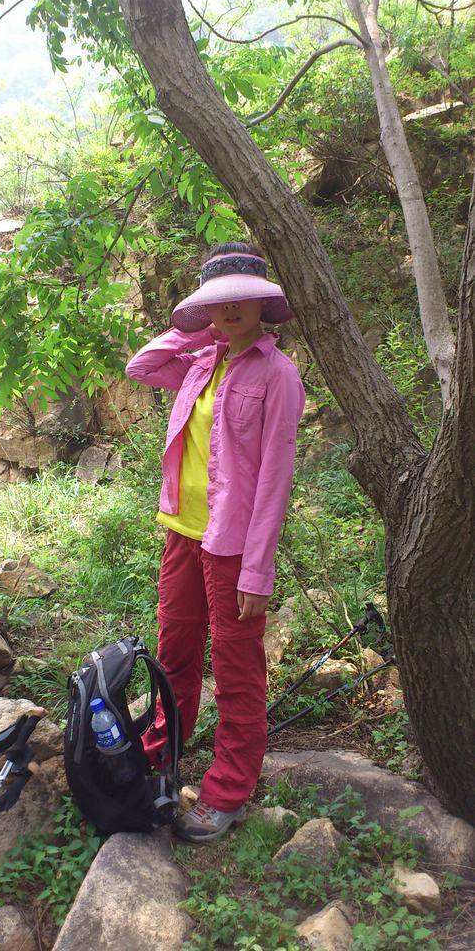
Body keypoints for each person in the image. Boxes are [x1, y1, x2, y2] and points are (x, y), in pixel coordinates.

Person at [125, 241, 306, 842]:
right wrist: (197, 331)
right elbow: (142, 367)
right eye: (216, 300)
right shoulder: (201, 362)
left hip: (232, 547)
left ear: (262, 302)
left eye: (240, 299)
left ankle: (228, 789)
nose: (229, 309)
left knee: (235, 669)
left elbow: (275, 480)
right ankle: (160, 757)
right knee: (174, 654)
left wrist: (258, 571)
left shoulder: (278, 375)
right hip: (182, 533)